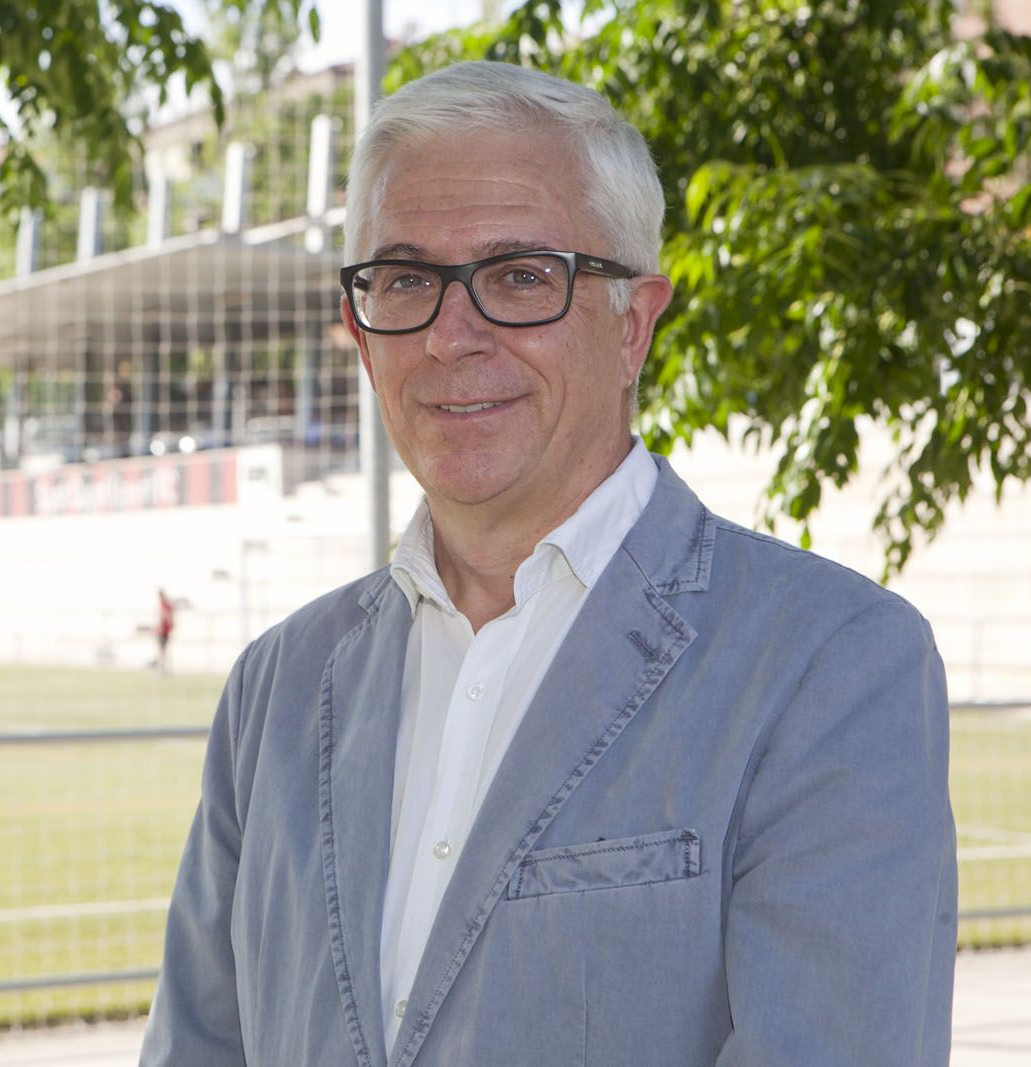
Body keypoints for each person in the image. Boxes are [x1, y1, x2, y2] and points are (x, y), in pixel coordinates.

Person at [140, 60, 956, 1067]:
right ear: (358, 330)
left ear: (634, 323)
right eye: (404, 279)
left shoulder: (829, 664)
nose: (450, 336)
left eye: (520, 276)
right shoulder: (275, 686)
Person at [155, 589, 176, 675]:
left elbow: (166, 615)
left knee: (162, 651)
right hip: (164, 631)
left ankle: (162, 670)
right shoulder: (167, 604)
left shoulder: (164, 604)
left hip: (163, 631)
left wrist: (170, 624)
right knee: (163, 651)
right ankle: (163, 670)